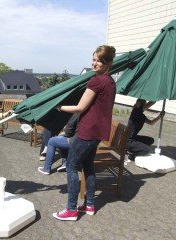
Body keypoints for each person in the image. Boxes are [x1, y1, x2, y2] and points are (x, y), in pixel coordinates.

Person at [53, 45, 116, 221]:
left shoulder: (96, 81)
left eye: (99, 61)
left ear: (108, 63)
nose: (94, 63)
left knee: (72, 166)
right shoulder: (110, 82)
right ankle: (89, 205)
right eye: (94, 59)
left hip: (87, 132)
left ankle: (71, 210)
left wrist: (58, 107)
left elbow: (80, 107)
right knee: (88, 167)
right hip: (99, 132)